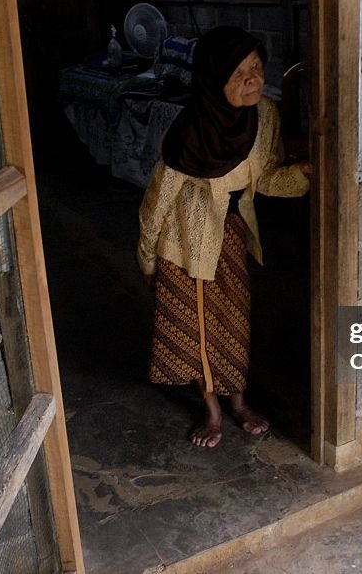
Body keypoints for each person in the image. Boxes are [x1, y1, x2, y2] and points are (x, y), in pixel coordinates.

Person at [138, 26, 311, 448]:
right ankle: (213, 410)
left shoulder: (264, 115)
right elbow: (158, 199)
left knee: (233, 323)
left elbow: (266, 177)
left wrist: (304, 175)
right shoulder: (191, 129)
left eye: (256, 67)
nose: (253, 78)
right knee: (197, 328)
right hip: (185, 242)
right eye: (239, 73)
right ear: (215, 78)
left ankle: (238, 401)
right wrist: (146, 255)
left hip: (231, 234)